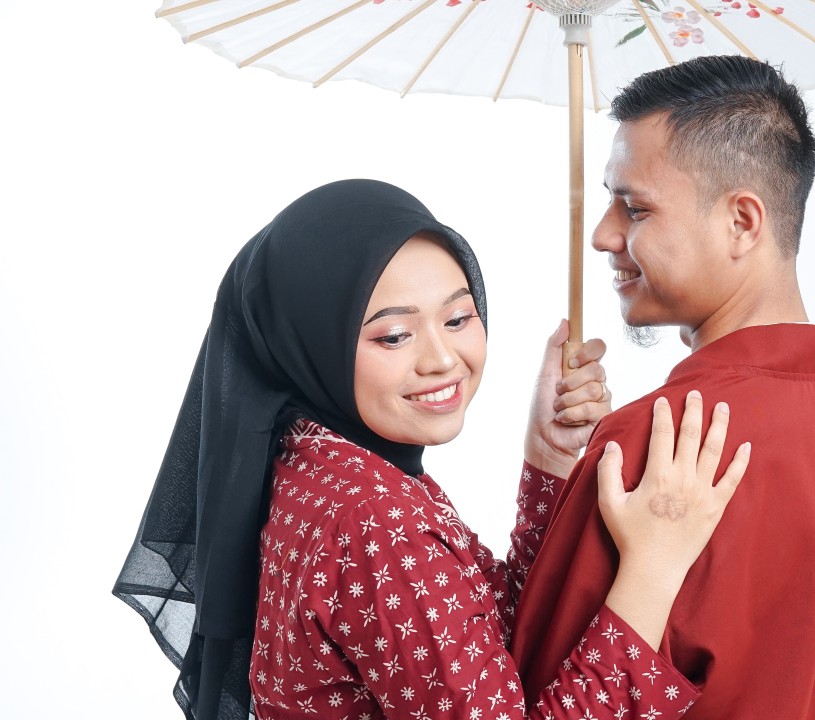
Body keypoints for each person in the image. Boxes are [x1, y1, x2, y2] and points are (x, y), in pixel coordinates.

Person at [113, 179, 752, 720]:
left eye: (457, 318)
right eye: (394, 336)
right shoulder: (373, 523)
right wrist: (654, 567)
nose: (443, 359)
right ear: (313, 344)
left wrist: (548, 459)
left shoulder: (319, 461)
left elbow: (487, 641)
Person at [511, 56, 815, 718]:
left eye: (635, 208)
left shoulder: (648, 453)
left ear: (743, 223)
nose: (605, 235)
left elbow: (529, 702)